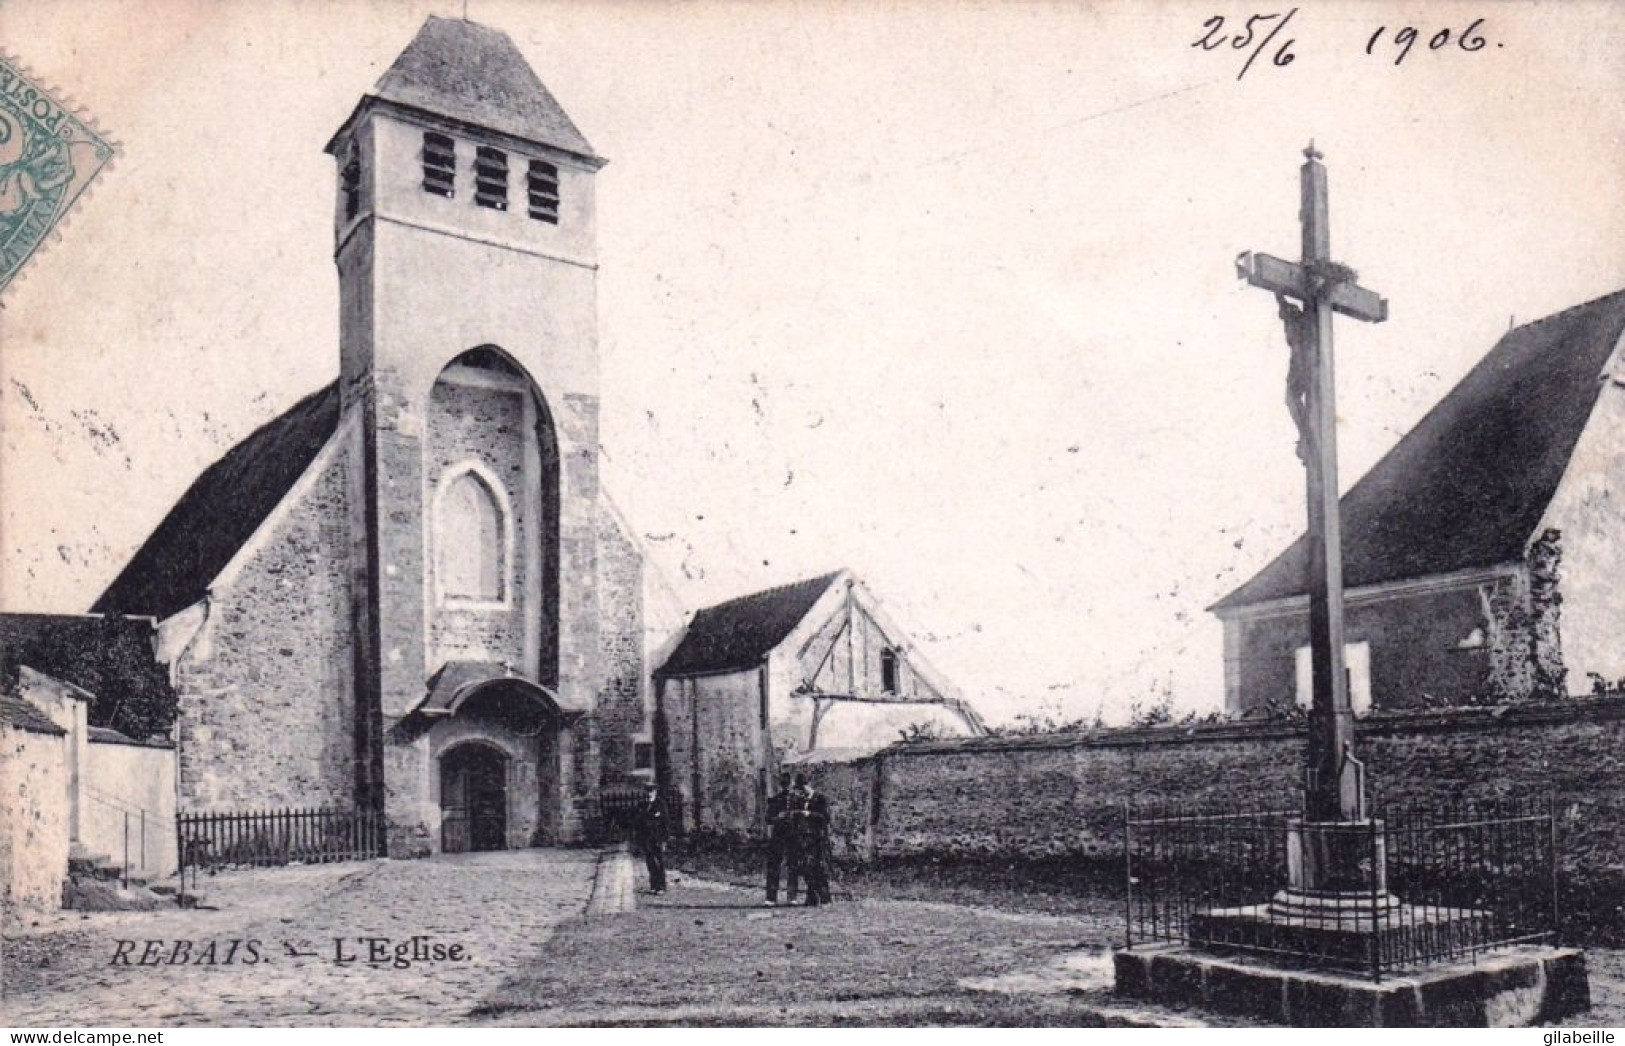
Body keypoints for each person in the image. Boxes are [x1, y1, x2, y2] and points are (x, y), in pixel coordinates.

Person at [789, 773, 833, 907]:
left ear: (808, 786)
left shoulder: (820, 798)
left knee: (819, 868)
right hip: (804, 839)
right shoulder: (800, 801)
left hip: (818, 839)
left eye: (803, 788)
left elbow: (826, 817)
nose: (801, 791)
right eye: (799, 789)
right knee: (806, 868)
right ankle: (812, 897)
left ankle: (825, 898)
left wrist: (810, 814)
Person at [764, 771, 799, 907]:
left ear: (791, 784)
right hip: (778, 836)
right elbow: (768, 819)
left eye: (787, 784)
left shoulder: (798, 800)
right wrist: (778, 817)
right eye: (783, 784)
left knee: (793, 865)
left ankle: (792, 897)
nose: (786, 787)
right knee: (774, 865)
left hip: (793, 836)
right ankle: (771, 898)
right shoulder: (775, 800)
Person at [634, 784, 668, 895]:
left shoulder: (661, 804)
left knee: (660, 861)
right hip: (646, 838)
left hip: (657, 837)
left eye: (652, 791)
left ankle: (662, 886)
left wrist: (664, 839)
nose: (649, 794)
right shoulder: (641, 805)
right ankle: (654, 885)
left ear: (656, 792)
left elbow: (665, 823)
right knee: (650, 861)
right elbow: (638, 822)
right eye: (648, 791)